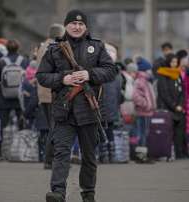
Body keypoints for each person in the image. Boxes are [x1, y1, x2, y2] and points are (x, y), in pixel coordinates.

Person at [36, 9, 117, 202]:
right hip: (64, 110)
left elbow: (111, 71)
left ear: (86, 27)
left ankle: (88, 193)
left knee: (89, 156)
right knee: (61, 153)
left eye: (81, 24)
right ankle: (58, 192)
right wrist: (63, 79)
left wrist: (89, 74)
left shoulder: (97, 47)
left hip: (90, 110)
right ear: (66, 25)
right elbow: (41, 76)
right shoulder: (54, 49)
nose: (77, 26)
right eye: (73, 23)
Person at [36, 23, 65, 169]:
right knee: (55, 127)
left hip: (43, 92)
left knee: (52, 126)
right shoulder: (54, 47)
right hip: (52, 92)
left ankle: (50, 159)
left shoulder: (43, 46)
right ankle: (49, 160)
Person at [0, 39, 27, 159]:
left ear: (6, 48)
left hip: (4, 98)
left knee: (2, 125)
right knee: (22, 123)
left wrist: (1, 89)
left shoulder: (0, 62)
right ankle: (21, 149)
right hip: (20, 98)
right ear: (18, 48)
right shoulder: (24, 61)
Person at [157, 54, 189, 159]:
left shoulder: (178, 74)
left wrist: (181, 104)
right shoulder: (163, 74)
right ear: (168, 62)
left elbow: (183, 91)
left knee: (180, 132)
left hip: (179, 108)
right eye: (172, 62)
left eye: (176, 62)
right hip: (167, 108)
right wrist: (174, 106)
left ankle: (180, 152)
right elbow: (164, 93)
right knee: (168, 132)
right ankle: (167, 152)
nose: (174, 64)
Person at [99, 43, 123, 163]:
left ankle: (103, 156)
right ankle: (112, 155)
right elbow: (119, 95)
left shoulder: (99, 74)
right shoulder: (117, 75)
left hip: (101, 109)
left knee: (101, 132)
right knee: (110, 132)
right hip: (113, 109)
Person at [133, 57, 156, 149]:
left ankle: (143, 152)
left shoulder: (147, 81)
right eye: (149, 70)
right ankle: (141, 153)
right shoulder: (140, 81)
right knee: (142, 133)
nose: (150, 72)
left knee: (145, 133)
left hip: (147, 112)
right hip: (143, 112)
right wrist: (146, 104)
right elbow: (135, 96)